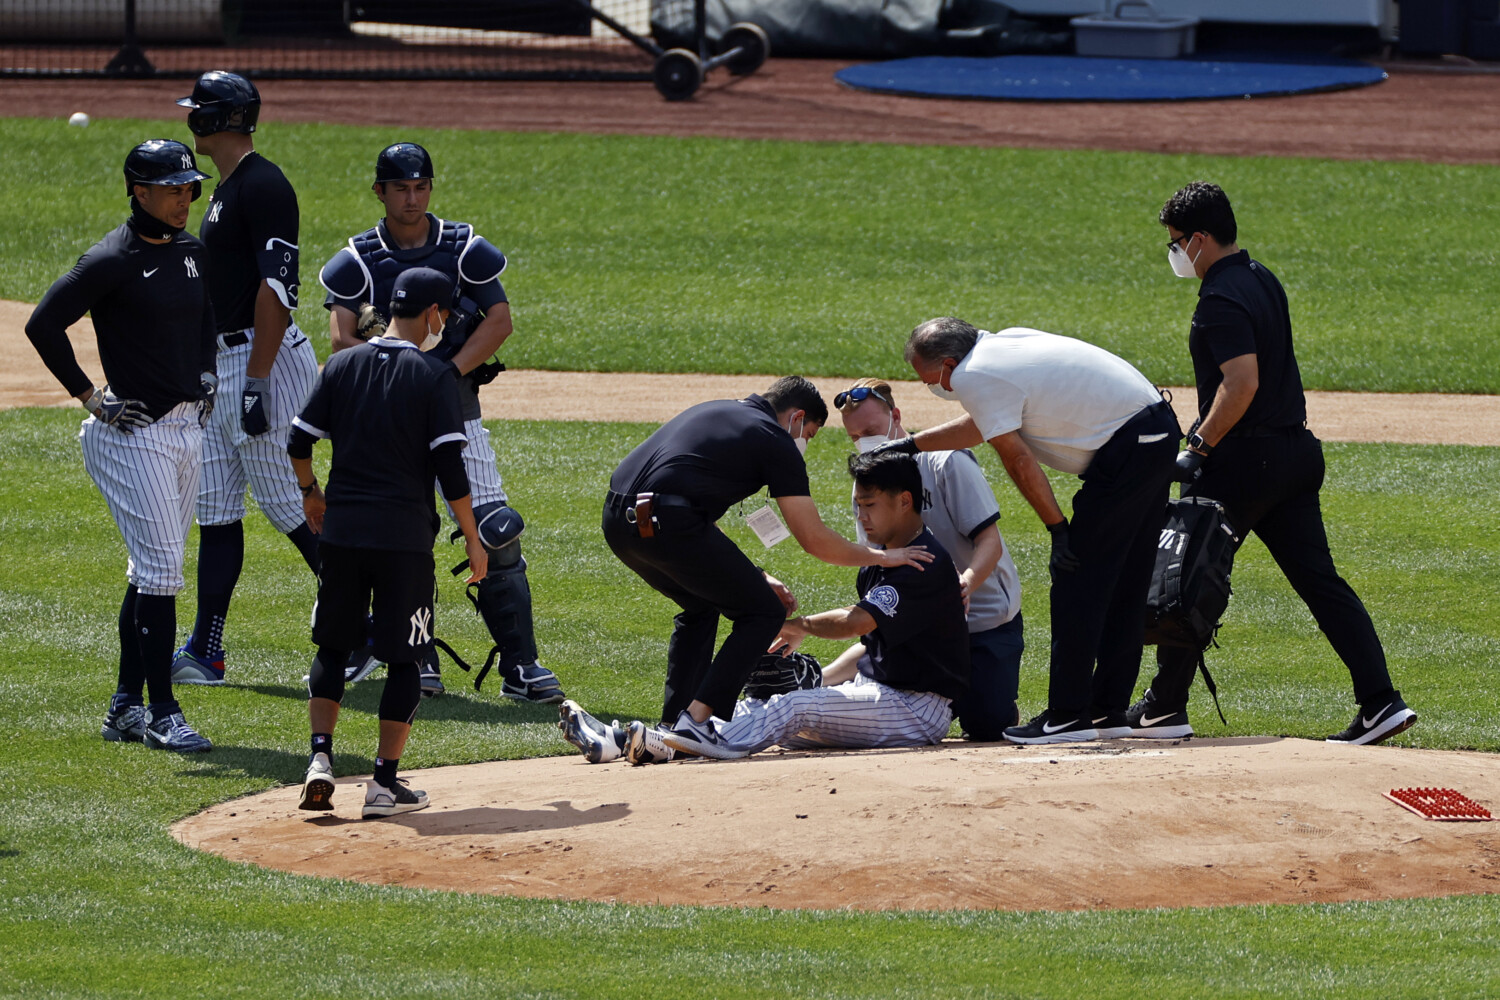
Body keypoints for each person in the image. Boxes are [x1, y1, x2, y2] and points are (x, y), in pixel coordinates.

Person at [1140, 181, 1416, 746]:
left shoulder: (1219, 299)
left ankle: (1165, 707)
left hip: (1244, 461)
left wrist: (1197, 447)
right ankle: (1380, 701)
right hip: (1294, 453)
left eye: (1175, 242)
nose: (1174, 254)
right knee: (1320, 582)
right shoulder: (1262, 277)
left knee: (1187, 573)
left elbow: (1241, 384)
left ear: (1199, 239)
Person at [558, 376, 935, 764]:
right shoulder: (773, 438)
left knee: (701, 606)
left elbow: (681, 494)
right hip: (671, 520)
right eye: (808, 433)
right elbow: (813, 538)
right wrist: (882, 556)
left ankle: (671, 732)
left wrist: (755, 574)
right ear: (796, 417)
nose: (804, 443)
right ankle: (696, 722)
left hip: (619, 525)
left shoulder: (714, 409)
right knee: (764, 612)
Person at [318, 142, 562, 702]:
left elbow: (499, 320)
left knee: (498, 529)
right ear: (379, 191)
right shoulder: (357, 260)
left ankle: (520, 667)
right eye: (400, 188)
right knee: (409, 535)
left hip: (456, 406)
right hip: (385, 421)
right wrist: (403, 371)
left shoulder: (462, 248)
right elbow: (340, 339)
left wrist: (442, 371)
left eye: (421, 186)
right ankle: (415, 655)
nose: (412, 197)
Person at [892, 317, 1179, 745]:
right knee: (1126, 584)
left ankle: (1067, 714)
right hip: (1156, 433)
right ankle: (1108, 709)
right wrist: (909, 445)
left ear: (948, 364)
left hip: (1127, 451)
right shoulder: (1000, 347)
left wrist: (1058, 529)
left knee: (1075, 581)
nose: (934, 387)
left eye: (928, 378)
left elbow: (1018, 459)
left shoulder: (973, 375)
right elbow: (986, 425)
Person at [25, 139, 218, 752]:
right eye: (170, 189)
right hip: (132, 435)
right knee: (162, 572)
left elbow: (206, 317)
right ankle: (163, 711)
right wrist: (90, 397)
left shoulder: (191, 252)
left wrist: (209, 373)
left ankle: (124, 708)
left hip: (187, 429)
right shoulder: (111, 258)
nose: (183, 198)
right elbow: (42, 324)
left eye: (188, 188)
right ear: (138, 190)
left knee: (149, 571)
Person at [290, 267, 487, 818]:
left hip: (344, 535)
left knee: (332, 647)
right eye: (443, 314)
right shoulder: (433, 375)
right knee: (406, 658)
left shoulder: (344, 364)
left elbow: (298, 439)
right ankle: (382, 784)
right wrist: (473, 539)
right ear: (431, 314)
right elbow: (451, 467)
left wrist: (312, 493)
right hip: (402, 542)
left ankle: (321, 760)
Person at [168, 71, 322, 686]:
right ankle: (206, 649)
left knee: (291, 504)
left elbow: (277, 288)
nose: (189, 120)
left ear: (217, 120)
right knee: (216, 510)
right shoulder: (228, 187)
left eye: (196, 111)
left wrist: (256, 380)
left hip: (265, 360)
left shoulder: (263, 184)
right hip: (229, 365)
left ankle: (369, 627)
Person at [835, 378, 1022, 740]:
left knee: (987, 724)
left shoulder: (946, 463)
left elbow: (990, 543)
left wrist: (963, 584)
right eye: (855, 437)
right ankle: (818, 682)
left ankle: (990, 702)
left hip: (984, 621)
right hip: (920, 627)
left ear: (897, 417)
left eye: (872, 430)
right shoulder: (867, 487)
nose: (866, 442)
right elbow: (876, 563)